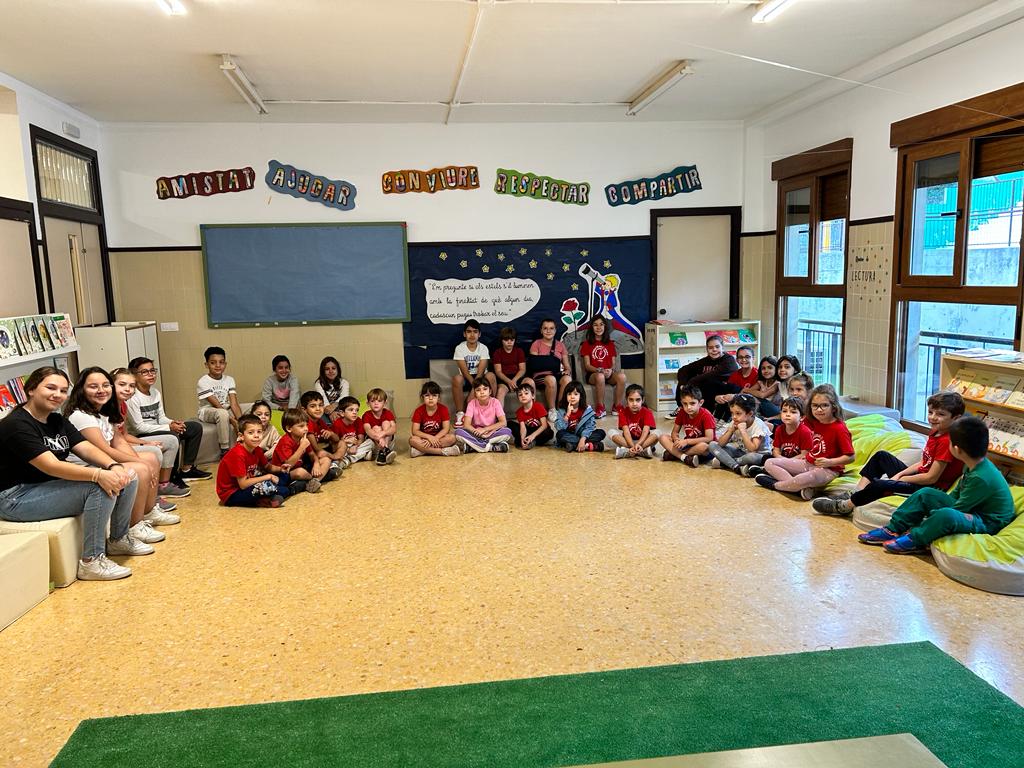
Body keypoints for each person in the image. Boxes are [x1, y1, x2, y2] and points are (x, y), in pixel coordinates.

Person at [0, 367, 141, 581]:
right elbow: (51, 466)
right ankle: (91, 561)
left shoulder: (56, 420)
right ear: (31, 389)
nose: (57, 394)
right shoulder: (16, 424)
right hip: (15, 497)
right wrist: (98, 475)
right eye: (51, 388)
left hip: (47, 486)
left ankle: (119, 539)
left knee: (127, 476)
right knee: (98, 488)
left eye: (63, 390)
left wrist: (113, 465)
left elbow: (85, 448)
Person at [858, 416, 1015, 554]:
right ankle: (893, 529)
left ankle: (916, 539)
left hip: (987, 521)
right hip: (972, 509)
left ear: (956, 449)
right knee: (925, 493)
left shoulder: (981, 477)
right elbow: (956, 494)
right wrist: (937, 504)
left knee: (946, 515)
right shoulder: (972, 464)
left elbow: (960, 509)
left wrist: (935, 513)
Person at [66, 367, 176, 544]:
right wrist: (141, 465)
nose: (101, 390)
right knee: (141, 468)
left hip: (104, 459)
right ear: (81, 389)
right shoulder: (81, 416)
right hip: (88, 464)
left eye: (105, 385)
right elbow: (104, 451)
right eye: (93, 386)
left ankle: (148, 512)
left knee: (150, 458)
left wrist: (141, 461)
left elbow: (119, 441)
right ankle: (134, 526)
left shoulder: (104, 411)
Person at [814, 391, 965, 517]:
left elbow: (931, 477)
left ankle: (845, 506)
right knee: (881, 456)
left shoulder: (947, 441)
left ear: (956, 418)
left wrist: (901, 478)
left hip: (927, 488)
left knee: (879, 484)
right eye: (931, 412)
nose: (933, 417)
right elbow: (924, 462)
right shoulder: (936, 432)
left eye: (940, 414)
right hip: (919, 478)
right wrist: (900, 474)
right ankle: (856, 492)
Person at [756, 384, 854, 500]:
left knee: (804, 478)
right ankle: (795, 488)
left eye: (824, 405)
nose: (819, 410)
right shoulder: (813, 420)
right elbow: (795, 417)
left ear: (834, 407)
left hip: (828, 470)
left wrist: (830, 462)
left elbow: (851, 457)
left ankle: (775, 485)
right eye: (815, 406)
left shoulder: (839, 428)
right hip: (807, 463)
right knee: (769, 463)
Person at [127, 356, 211, 483]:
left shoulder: (155, 392)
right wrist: (169, 427)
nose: (150, 374)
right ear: (134, 375)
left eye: (152, 370)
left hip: (158, 429)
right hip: (141, 435)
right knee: (173, 435)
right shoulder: (132, 397)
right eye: (144, 372)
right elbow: (138, 427)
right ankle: (172, 477)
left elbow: (161, 417)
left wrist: (172, 422)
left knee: (194, 427)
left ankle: (187, 470)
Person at [111, 367, 186, 507]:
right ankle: (153, 499)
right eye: (122, 384)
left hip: (123, 443)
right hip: (114, 448)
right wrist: (143, 445)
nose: (127, 389)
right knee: (154, 452)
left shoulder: (123, 406)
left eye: (131, 386)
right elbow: (115, 442)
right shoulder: (108, 408)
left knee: (170, 440)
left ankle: (163, 485)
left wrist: (146, 443)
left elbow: (124, 435)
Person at [216, 414, 290, 508]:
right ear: (241, 436)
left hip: (248, 483)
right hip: (232, 493)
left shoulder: (257, 449)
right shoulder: (238, 454)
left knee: (284, 476)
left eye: (259, 432)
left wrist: (280, 469)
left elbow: (268, 467)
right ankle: (282, 493)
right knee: (280, 489)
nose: (256, 436)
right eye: (251, 433)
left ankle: (272, 496)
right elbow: (243, 484)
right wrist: (268, 476)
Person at [272, 408, 338, 494]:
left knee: (326, 459)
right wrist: (302, 447)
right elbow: (289, 465)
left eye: (306, 425)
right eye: (301, 426)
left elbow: (312, 454)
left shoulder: (303, 438)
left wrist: (316, 464)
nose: (306, 429)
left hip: (301, 466)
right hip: (284, 472)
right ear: (289, 428)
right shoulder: (285, 442)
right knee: (300, 472)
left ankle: (314, 481)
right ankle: (318, 478)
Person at [743, 396, 813, 478]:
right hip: (781, 460)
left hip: (797, 463)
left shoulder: (805, 432)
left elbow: (804, 455)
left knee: (805, 467)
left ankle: (770, 473)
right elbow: (776, 451)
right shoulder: (779, 429)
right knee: (765, 458)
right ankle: (770, 472)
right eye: (784, 411)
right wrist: (781, 460)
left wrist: (785, 462)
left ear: (802, 417)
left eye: (793, 412)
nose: (787, 414)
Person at [672, 335, 738, 417]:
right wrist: (683, 384)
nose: (714, 350)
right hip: (707, 388)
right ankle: (682, 407)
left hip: (723, 388)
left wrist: (691, 383)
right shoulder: (705, 360)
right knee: (687, 377)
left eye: (717, 347)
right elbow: (683, 370)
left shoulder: (729, 360)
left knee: (706, 381)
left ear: (722, 347)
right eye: (710, 348)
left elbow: (711, 375)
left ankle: (706, 413)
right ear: (707, 349)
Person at [706, 394, 772, 474]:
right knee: (712, 444)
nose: (734, 417)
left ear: (750, 414)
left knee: (751, 457)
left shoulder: (758, 425)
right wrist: (730, 431)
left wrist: (743, 431)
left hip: (758, 455)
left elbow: (752, 449)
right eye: (732, 413)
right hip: (741, 452)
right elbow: (720, 444)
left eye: (738, 413)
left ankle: (726, 462)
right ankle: (735, 466)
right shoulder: (735, 421)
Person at [196, 345, 242, 456]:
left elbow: (234, 404)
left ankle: (248, 444)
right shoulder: (203, 382)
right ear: (206, 365)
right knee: (222, 413)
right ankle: (224, 450)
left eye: (221, 362)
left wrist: (242, 422)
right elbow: (217, 405)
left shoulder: (229, 379)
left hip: (224, 408)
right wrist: (233, 421)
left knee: (251, 408)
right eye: (213, 363)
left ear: (225, 364)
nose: (218, 365)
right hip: (208, 410)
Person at [580, 315, 627, 419]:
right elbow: (587, 366)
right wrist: (599, 370)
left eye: (601, 324)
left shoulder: (610, 344)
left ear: (605, 327)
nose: (599, 327)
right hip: (594, 374)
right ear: (591, 327)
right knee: (600, 376)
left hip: (608, 373)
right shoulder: (586, 344)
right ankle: (600, 407)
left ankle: (617, 406)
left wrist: (610, 370)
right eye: (595, 325)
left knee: (622, 377)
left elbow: (613, 363)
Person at [523, 318, 572, 416]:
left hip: (556, 374)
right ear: (541, 330)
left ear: (555, 330)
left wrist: (567, 370)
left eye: (551, 328)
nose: (548, 331)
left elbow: (567, 366)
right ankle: (552, 410)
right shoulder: (536, 344)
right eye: (545, 328)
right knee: (551, 379)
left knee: (567, 379)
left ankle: (560, 408)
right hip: (540, 376)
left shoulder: (560, 345)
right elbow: (534, 364)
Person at [452, 319, 495, 428]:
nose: (472, 335)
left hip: (480, 376)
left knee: (491, 376)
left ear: (479, 334)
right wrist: (474, 388)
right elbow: (464, 371)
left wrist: (473, 390)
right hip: (467, 377)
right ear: (464, 334)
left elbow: (481, 371)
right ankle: (460, 414)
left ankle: (492, 410)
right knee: (457, 378)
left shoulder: (483, 348)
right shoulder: (459, 348)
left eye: (475, 332)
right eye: (469, 331)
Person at [658, 384, 716, 465]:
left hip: (704, 447)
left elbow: (709, 438)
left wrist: (687, 441)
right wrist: (676, 440)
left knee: (703, 446)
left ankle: (674, 454)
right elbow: (674, 432)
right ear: (681, 403)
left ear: (701, 402)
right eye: (685, 404)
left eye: (692, 403)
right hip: (689, 446)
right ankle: (684, 457)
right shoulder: (682, 412)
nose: (688, 407)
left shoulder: (706, 415)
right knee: (662, 437)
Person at [455, 377, 513, 453]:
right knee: (458, 432)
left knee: (507, 432)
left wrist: (485, 430)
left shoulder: (495, 402)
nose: (482, 392)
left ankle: (474, 446)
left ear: (490, 391)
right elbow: (466, 424)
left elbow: (503, 422)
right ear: (475, 393)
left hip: (490, 432)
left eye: (485, 389)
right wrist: (478, 432)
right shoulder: (472, 403)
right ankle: (490, 447)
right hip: (476, 432)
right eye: (478, 390)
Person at [409, 381, 461, 457]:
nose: (430, 398)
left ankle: (421, 451)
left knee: (452, 438)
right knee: (412, 440)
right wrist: (429, 437)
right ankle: (442, 451)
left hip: (439, 438)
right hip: (424, 439)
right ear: (422, 398)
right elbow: (415, 431)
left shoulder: (443, 409)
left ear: (439, 398)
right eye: (427, 395)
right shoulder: (418, 411)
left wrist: (435, 438)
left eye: (434, 395)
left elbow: (446, 429)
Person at [553, 381, 605, 453]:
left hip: (583, 435)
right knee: (560, 434)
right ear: (565, 396)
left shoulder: (587, 410)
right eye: (569, 394)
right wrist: (567, 414)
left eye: (576, 394)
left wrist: (582, 439)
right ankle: (591, 446)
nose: (572, 397)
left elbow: (589, 427)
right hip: (569, 435)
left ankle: (573, 445)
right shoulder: (562, 410)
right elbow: (560, 428)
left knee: (601, 432)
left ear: (581, 396)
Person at [611, 383, 658, 459]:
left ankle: (628, 451)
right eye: (631, 400)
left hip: (643, 441)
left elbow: (645, 431)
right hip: (628, 441)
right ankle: (641, 451)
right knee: (611, 432)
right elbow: (626, 432)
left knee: (658, 433)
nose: (634, 403)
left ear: (643, 400)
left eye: (638, 400)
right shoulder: (622, 412)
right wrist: (633, 446)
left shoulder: (648, 412)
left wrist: (638, 444)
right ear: (626, 399)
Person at [712, 346, 758, 419]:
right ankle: (717, 419)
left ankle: (723, 419)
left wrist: (735, 396)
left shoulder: (757, 375)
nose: (744, 360)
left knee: (734, 394)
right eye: (740, 357)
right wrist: (718, 397)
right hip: (735, 406)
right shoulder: (735, 375)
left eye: (747, 357)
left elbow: (754, 398)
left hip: (750, 405)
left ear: (753, 359)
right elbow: (727, 391)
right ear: (737, 360)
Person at [300, 390, 345, 463]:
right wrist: (331, 455)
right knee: (321, 454)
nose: (318, 409)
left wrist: (331, 434)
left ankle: (335, 461)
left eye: (320, 405)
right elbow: (316, 449)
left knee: (342, 443)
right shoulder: (306, 423)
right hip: (310, 454)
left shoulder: (320, 421)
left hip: (322, 449)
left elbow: (337, 439)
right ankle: (335, 459)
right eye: (313, 406)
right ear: (304, 410)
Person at [332, 396, 374, 466]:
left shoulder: (358, 421)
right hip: (344, 447)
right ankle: (362, 455)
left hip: (356, 446)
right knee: (340, 450)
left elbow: (361, 439)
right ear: (342, 413)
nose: (355, 412)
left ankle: (348, 459)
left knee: (370, 442)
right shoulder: (337, 424)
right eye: (351, 410)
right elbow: (334, 445)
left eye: (357, 410)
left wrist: (356, 446)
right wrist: (346, 443)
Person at [363, 388, 397, 465]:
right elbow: (368, 430)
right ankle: (385, 451)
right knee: (376, 428)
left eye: (379, 401)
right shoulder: (366, 415)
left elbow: (394, 428)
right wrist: (379, 437)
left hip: (388, 441)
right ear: (368, 403)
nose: (376, 403)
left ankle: (383, 451)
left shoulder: (388, 413)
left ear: (385, 403)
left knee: (386, 423)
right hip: (374, 442)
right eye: (372, 401)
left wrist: (383, 433)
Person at [492, 326, 526, 403]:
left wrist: (514, 380)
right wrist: (509, 381)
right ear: (502, 340)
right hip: (504, 379)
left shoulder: (519, 351)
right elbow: (498, 372)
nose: (509, 342)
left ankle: (533, 409)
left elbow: (522, 369)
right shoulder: (497, 352)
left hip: (517, 377)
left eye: (512, 340)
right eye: (506, 340)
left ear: (515, 340)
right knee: (500, 391)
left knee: (530, 382)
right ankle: (499, 411)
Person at [514, 382, 552, 450]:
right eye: (520, 395)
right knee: (510, 424)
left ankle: (532, 441)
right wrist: (522, 438)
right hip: (528, 430)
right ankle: (526, 441)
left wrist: (532, 436)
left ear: (533, 396)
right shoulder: (519, 411)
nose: (523, 396)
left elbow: (544, 425)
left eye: (526, 393)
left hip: (539, 431)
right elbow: (523, 428)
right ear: (518, 398)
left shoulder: (538, 406)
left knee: (549, 433)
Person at [313, 356, 350, 422]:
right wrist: (331, 413)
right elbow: (323, 400)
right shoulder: (319, 383)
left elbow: (344, 397)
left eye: (333, 368)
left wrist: (334, 406)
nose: (331, 371)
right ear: (323, 371)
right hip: (325, 410)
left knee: (347, 415)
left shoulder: (344, 382)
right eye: (327, 369)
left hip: (340, 409)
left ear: (338, 370)